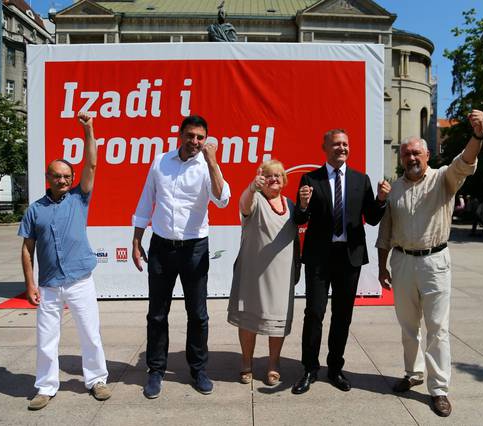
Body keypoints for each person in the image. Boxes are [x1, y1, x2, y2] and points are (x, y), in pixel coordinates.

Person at [376, 109, 483, 417]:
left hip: (435, 261)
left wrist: (477, 135)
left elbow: (465, 161)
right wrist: (383, 265)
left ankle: (439, 389)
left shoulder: (443, 179)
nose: (412, 158)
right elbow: (386, 231)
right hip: (402, 263)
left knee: (438, 328)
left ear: (427, 155)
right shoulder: (394, 187)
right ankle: (413, 373)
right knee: (408, 326)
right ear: (401, 158)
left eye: (417, 153)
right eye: (406, 153)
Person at [132, 115, 231, 399]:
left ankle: (198, 369)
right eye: (190, 136)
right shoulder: (160, 162)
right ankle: (155, 370)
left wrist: (212, 162)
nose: (195, 142)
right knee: (157, 314)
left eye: (200, 137)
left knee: (198, 314)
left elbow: (223, 199)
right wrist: (137, 239)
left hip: (195, 249)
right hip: (162, 247)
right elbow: (145, 200)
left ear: (206, 139)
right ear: (180, 135)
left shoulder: (207, 165)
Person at [18, 112, 111, 410]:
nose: (62, 180)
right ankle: (45, 387)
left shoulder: (79, 199)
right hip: (49, 285)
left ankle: (97, 380)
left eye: (66, 176)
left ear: (72, 179)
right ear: (47, 178)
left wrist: (88, 131)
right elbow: (26, 248)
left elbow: (92, 164)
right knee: (46, 338)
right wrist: (29, 283)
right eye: (56, 175)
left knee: (90, 333)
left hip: (80, 279)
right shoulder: (35, 210)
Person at [291, 129, 390, 394]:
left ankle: (335, 368)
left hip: (349, 257)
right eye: (336, 144)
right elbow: (301, 220)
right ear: (325, 147)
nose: (342, 148)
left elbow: (372, 216)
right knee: (314, 313)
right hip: (319, 258)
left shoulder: (360, 180)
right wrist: (301, 206)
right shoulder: (311, 178)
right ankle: (309, 369)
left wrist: (381, 200)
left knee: (342, 315)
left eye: (345, 144)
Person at [227, 160, 298, 386]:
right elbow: (244, 205)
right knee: (249, 320)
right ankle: (246, 363)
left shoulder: (291, 205)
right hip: (252, 275)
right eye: (269, 175)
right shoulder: (255, 199)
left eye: (278, 175)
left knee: (277, 322)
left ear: (284, 180)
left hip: (282, 275)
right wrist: (251, 187)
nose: (274, 178)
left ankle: (273, 364)